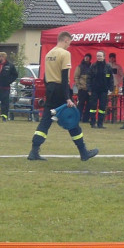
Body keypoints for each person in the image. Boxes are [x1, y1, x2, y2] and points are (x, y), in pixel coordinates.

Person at [27, 31, 98, 160]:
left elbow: (45, 76)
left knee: (46, 121)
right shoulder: (65, 54)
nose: (69, 46)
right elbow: (65, 77)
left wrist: (49, 90)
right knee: (71, 120)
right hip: (61, 89)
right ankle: (83, 153)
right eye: (69, 43)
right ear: (65, 40)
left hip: (50, 88)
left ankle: (34, 151)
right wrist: (67, 98)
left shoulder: (49, 54)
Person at [87, 51, 113, 129]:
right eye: (97, 56)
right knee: (93, 107)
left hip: (104, 90)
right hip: (94, 90)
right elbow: (89, 78)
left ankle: (100, 123)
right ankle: (92, 123)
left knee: (102, 107)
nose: (99, 57)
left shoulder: (108, 66)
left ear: (104, 57)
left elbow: (111, 79)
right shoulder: (93, 66)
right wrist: (89, 89)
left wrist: (110, 89)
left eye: (100, 56)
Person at [74, 53, 93, 123]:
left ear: (90, 59)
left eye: (88, 57)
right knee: (80, 105)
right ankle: (78, 118)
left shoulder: (92, 67)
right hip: (82, 89)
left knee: (89, 105)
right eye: (85, 57)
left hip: (89, 90)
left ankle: (86, 119)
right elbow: (76, 77)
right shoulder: (80, 67)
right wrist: (78, 86)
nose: (86, 58)